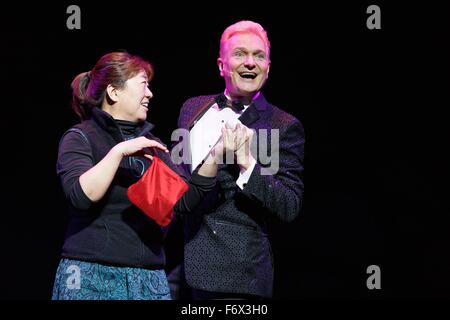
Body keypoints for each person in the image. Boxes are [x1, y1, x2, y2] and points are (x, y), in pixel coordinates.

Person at [52, 51, 221, 300]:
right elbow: (81, 196)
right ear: (114, 92)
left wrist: (217, 154)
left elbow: (184, 201)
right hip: (90, 277)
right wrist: (119, 151)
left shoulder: (151, 145)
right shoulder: (80, 137)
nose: (150, 94)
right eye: (143, 84)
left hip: (149, 280)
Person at [174, 20, 305, 299]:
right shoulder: (192, 108)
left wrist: (248, 163)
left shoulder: (282, 125)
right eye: (240, 54)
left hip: (234, 278)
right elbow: (178, 176)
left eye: (259, 56)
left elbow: (289, 205)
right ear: (221, 65)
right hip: (174, 269)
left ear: (268, 67)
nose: (250, 63)